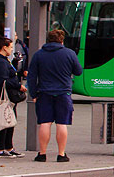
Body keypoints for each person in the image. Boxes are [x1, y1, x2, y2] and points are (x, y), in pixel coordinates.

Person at [27, 28, 82, 162]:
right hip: (63, 93)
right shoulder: (69, 53)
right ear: (62, 40)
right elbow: (79, 71)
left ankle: (42, 154)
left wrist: (33, 94)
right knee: (61, 124)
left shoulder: (38, 55)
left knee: (45, 123)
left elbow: (32, 76)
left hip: (44, 93)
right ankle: (61, 154)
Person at [0, 36, 26, 158]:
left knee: (9, 120)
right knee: (3, 121)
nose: (11, 49)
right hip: (2, 96)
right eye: (10, 47)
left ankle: (8, 147)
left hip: (5, 95)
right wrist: (18, 86)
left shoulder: (3, 60)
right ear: (4, 48)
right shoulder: (0, 62)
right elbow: (3, 80)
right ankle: (1, 149)